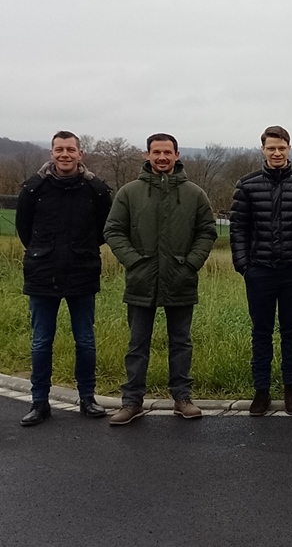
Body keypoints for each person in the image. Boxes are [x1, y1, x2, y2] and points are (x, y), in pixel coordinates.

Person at [104, 133, 217, 425]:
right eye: (157, 152)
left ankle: (182, 398)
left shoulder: (194, 194)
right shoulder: (129, 193)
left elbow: (207, 231)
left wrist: (191, 263)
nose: (162, 157)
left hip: (180, 279)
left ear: (177, 155)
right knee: (137, 344)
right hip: (141, 281)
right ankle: (132, 402)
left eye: (168, 152)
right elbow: (113, 230)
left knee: (181, 342)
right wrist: (133, 261)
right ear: (147, 155)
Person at [15, 131, 112, 426]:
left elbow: (104, 229)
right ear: (51, 153)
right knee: (41, 342)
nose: (65, 154)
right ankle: (39, 402)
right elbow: (24, 229)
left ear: (80, 154)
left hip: (82, 273)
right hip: (42, 274)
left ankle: (87, 398)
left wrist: (81, 250)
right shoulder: (33, 188)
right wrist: (43, 252)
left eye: (71, 149)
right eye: (59, 149)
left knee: (85, 341)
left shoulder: (95, 189)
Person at [229, 126, 292, 416]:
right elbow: (238, 229)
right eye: (271, 148)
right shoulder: (247, 185)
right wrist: (244, 264)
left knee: (291, 332)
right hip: (259, 272)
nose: (277, 153)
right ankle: (262, 391)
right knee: (261, 332)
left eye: (282, 148)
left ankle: (291, 388)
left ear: (289, 148)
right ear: (263, 150)